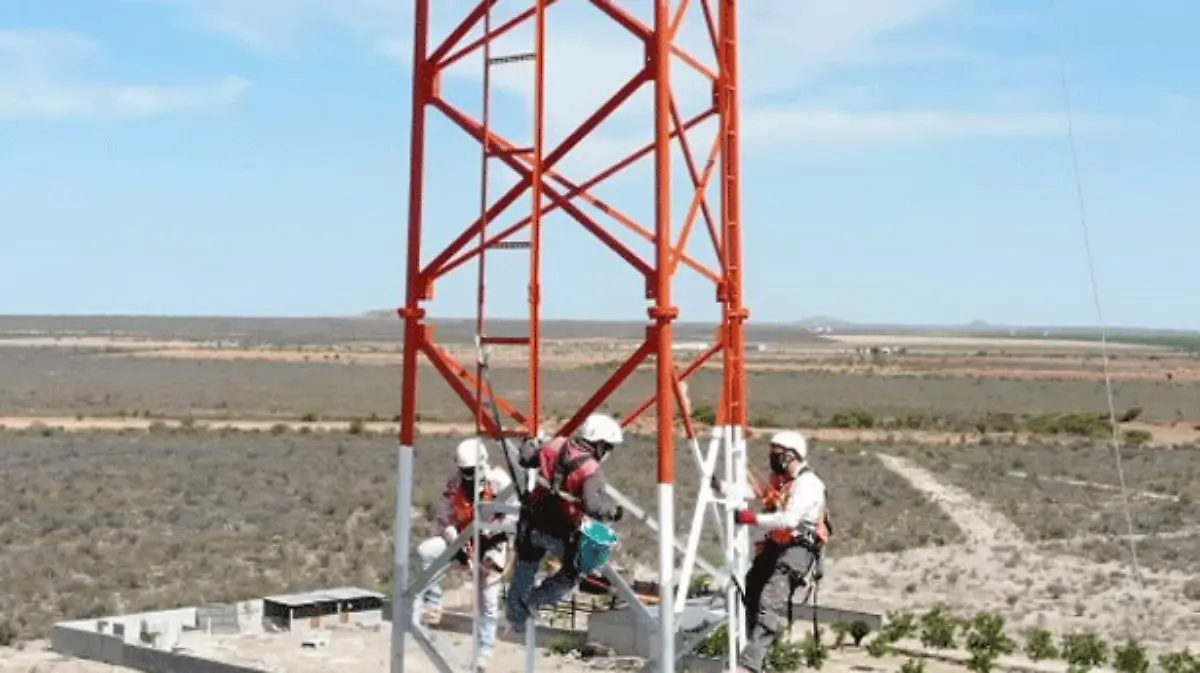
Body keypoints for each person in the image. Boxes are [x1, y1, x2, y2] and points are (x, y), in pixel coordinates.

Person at [504, 413, 625, 633]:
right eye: (608, 447)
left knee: (527, 564)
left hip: (532, 522)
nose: (608, 452)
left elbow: (526, 458)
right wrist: (613, 511)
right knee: (573, 571)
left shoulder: (555, 445)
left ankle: (515, 615)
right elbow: (592, 506)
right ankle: (534, 601)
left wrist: (531, 442)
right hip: (559, 529)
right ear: (599, 443)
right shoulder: (591, 470)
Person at [721, 430, 829, 673]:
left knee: (770, 599)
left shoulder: (808, 485)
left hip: (797, 548)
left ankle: (750, 664)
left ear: (791, 456)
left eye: (777, 454)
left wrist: (752, 519)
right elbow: (754, 491)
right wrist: (720, 486)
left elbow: (789, 519)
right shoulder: (780, 481)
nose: (772, 458)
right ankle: (753, 649)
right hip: (777, 545)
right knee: (752, 587)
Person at [415, 437, 516, 671]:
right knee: (427, 551)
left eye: (470, 471)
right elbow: (444, 514)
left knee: (487, 601)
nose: (467, 476)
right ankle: (433, 603)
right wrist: (453, 536)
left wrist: (490, 532)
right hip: (461, 541)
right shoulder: (455, 484)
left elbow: (514, 515)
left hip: (492, 542)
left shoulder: (500, 482)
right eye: (464, 471)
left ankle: (484, 651)